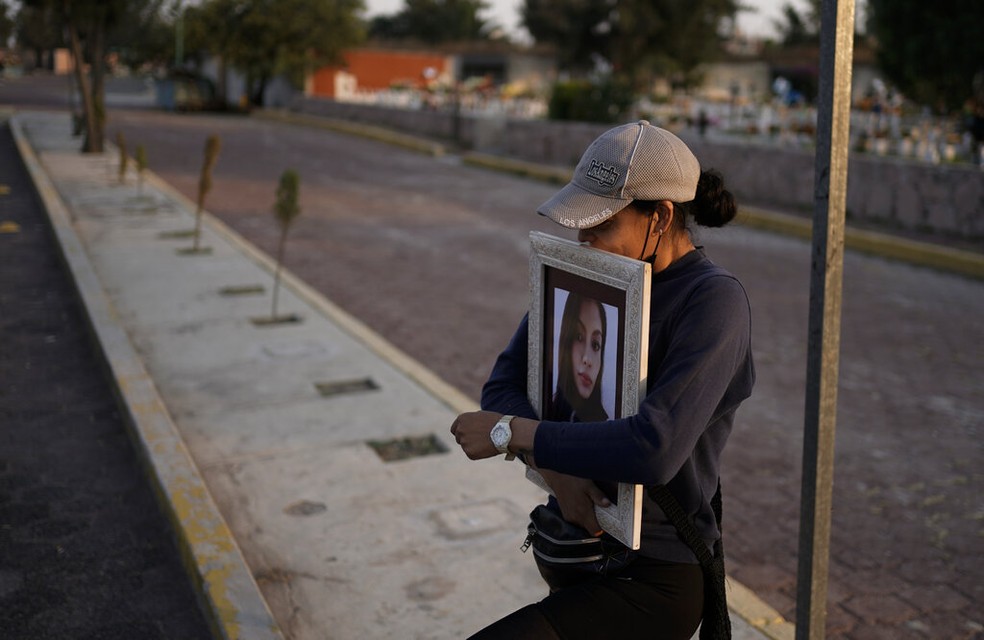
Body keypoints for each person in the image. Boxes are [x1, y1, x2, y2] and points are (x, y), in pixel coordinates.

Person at [450, 120, 755, 640]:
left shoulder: (712, 301)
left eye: (599, 224)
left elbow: (652, 447)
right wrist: (562, 477)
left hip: (653, 574)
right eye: (579, 223)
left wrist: (515, 435)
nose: (582, 238)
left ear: (659, 217)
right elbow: (504, 387)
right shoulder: (583, 275)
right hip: (576, 548)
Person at [549, 293, 609, 423]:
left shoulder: (610, 429)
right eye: (579, 337)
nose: (587, 359)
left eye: (595, 345)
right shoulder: (542, 409)